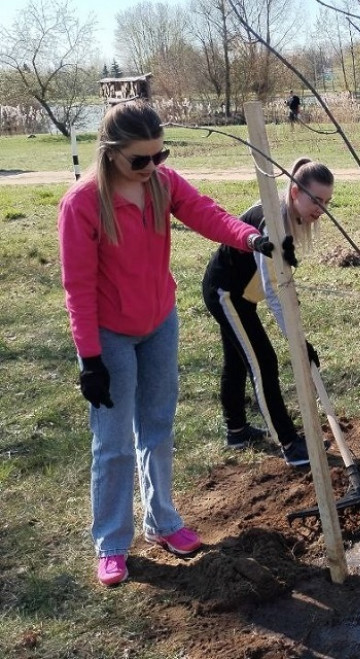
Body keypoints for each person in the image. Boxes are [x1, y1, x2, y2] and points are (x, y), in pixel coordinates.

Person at [58, 100, 281, 587]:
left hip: (159, 321)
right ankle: (112, 544)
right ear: (111, 153)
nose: (152, 167)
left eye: (160, 155)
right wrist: (90, 358)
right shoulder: (82, 204)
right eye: (141, 159)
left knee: (157, 426)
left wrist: (250, 238)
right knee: (113, 442)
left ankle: (162, 521)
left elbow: (205, 213)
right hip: (109, 335)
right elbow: (77, 286)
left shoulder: (161, 183)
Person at [201, 158, 334, 467]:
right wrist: (298, 343)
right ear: (294, 192)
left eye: (327, 201)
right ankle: (289, 443)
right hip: (226, 293)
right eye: (315, 199)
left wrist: (299, 337)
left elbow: (283, 281)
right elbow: (274, 291)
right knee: (262, 362)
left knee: (237, 359)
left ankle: (237, 430)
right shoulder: (272, 223)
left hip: (241, 294)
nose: (321, 208)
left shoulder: (288, 218)